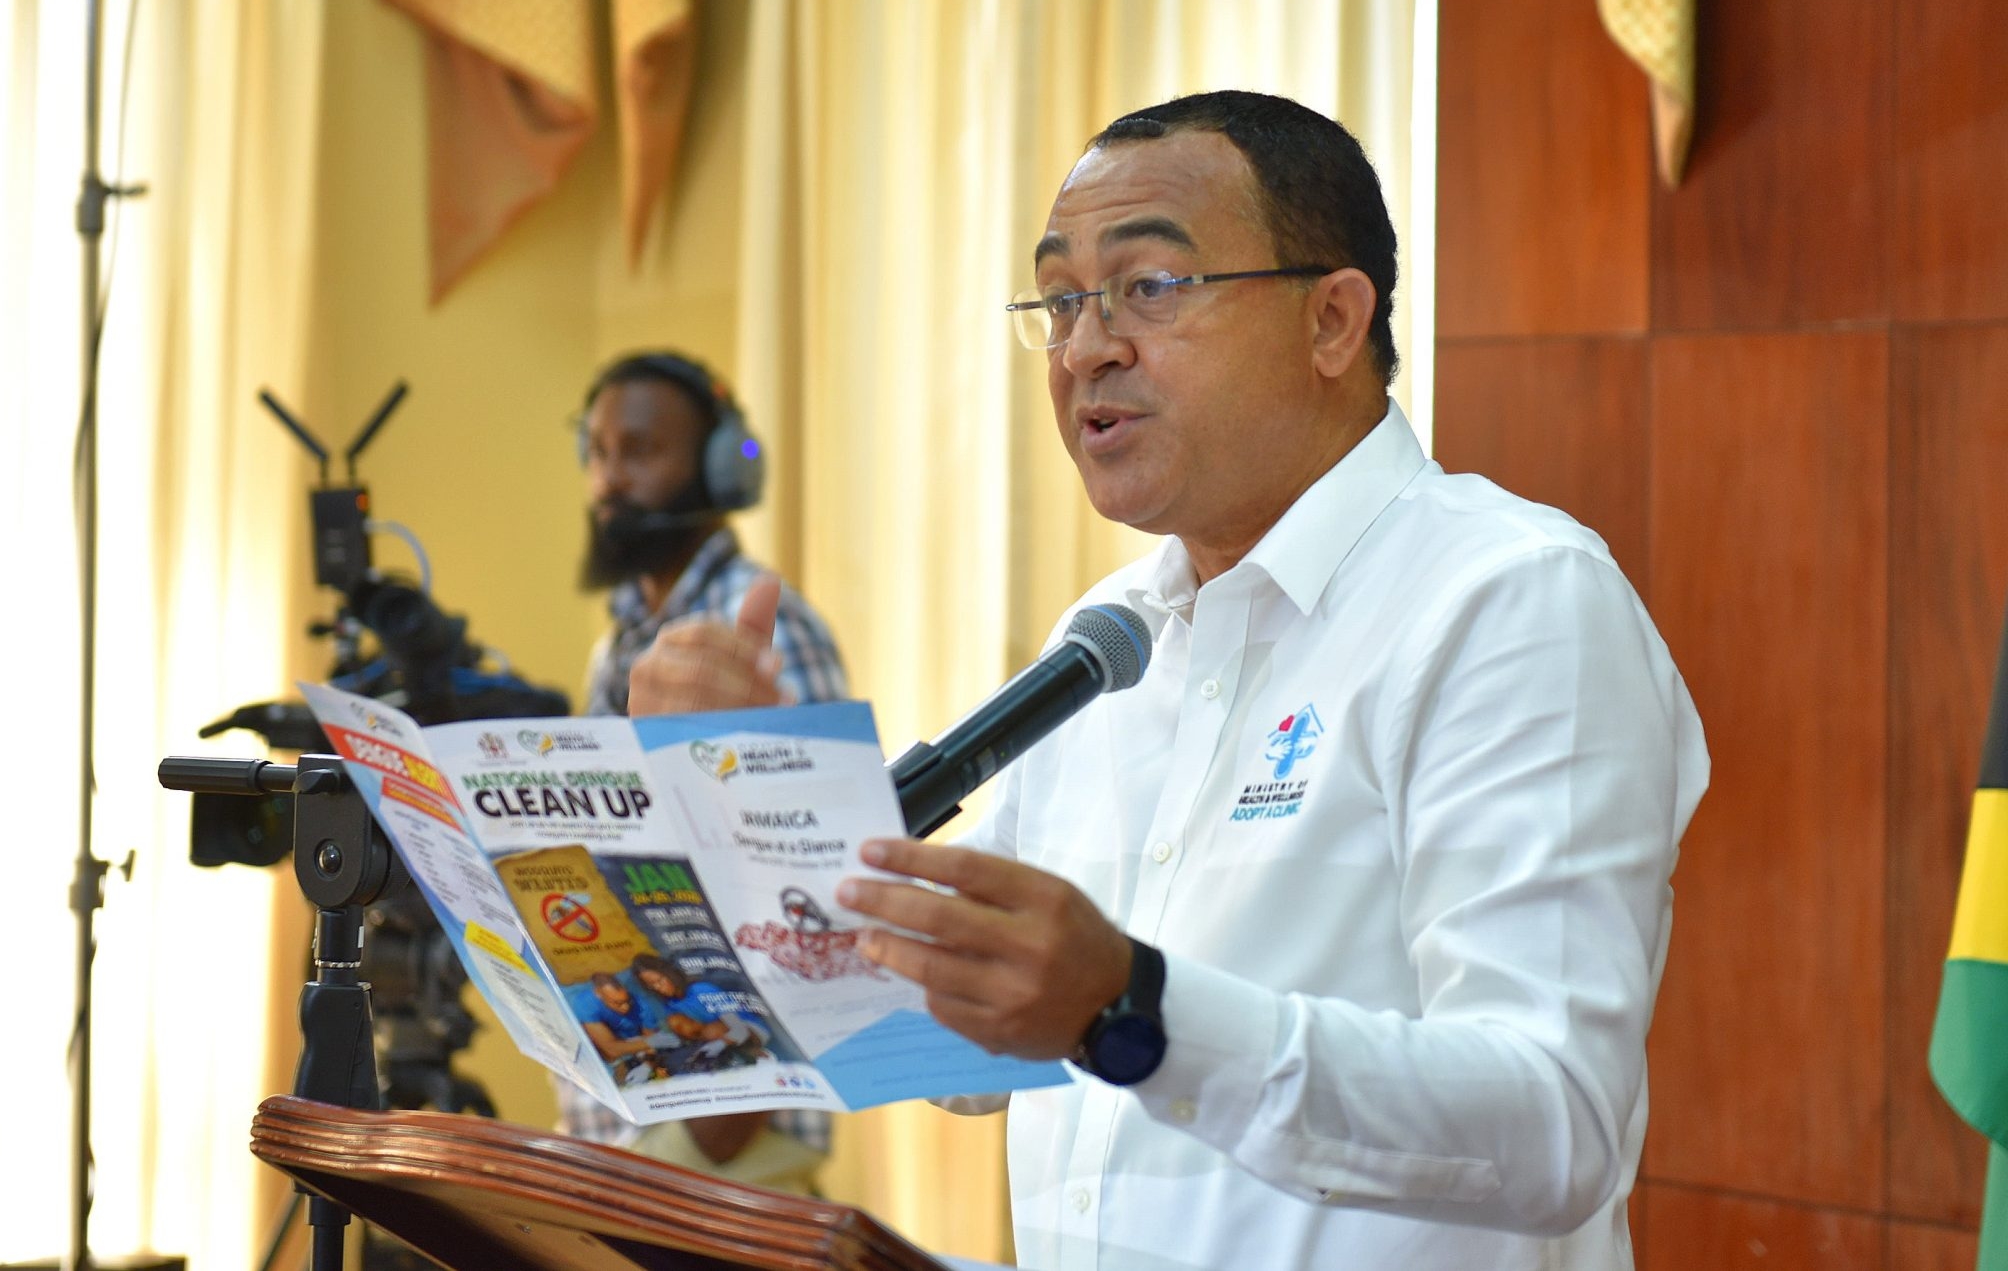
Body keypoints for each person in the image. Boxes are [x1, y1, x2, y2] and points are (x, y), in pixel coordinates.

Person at [624, 92, 1707, 1270]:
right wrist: (757, 816)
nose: (1086, 343)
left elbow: (1552, 1124)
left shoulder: (1507, 600)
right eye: (1060, 299)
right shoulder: (1111, 642)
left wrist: (1132, 1012)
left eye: (1149, 286)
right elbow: (971, 1055)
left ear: (1332, 321)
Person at [563, 349, 845, 1193]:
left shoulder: (764, 625)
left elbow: (808, 873)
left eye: (641, 451)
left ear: (721, 467)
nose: (611, 477)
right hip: (626, 1123)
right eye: (599, 451)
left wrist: (729, 1107)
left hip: (726, 1137)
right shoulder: (616, 643)